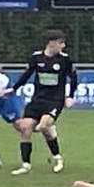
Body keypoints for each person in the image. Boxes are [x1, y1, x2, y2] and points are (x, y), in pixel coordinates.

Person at [11, 30, 76, 175]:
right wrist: (14, 89)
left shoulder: (64, 60)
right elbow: (26, 74)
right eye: (60, 43)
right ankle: (26, 165)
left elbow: (73, 77)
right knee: (25, 128)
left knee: (44, 126)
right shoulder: (36, 58)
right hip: (38, 99)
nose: (63, 46)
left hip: (55, 100)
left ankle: (57, 158)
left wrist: (70, 96)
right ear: (51, 43)